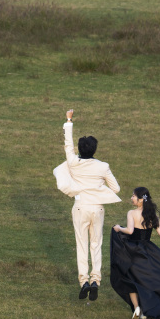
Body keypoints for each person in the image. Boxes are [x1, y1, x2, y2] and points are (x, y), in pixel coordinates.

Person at [52, 109, 120, 303]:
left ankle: (84, 282)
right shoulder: (103, 166)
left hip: (80, 206)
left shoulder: (73, 162)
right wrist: (99, 188)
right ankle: (95, 281)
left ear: (80, 149)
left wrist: (68, 120)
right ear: (95, 150)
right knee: (95, 245)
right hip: (97, 207)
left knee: (81, 245)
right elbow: (116, 188)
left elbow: (68, 144)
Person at [110, 187, 160, 319]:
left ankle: (137, 308)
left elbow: (129, 231)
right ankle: (146, 307)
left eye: (133, 196)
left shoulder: (132, 213)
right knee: (145, 280)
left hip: (132, 251)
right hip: (148, 252)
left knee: (130, 280)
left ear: (141, 200)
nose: (131, 198)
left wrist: (118, 228)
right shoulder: (152, 215)